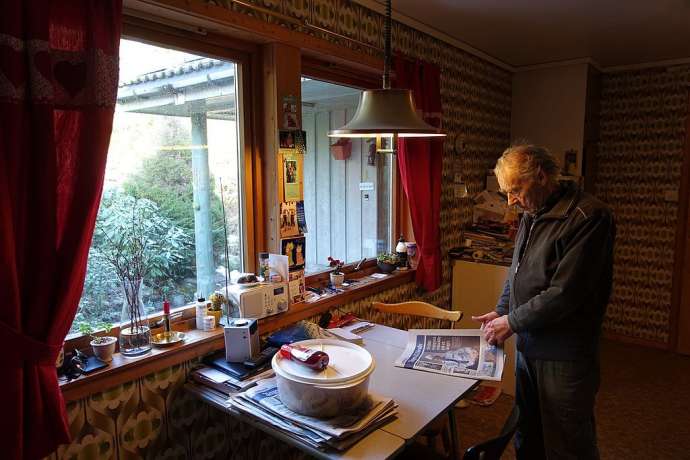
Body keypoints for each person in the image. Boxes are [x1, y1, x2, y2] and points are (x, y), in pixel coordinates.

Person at [472, 144, 615, 460]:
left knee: (567, 443)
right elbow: (516, 272)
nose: (511, 200)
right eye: (507, 193)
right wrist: (501, 309)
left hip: (564, 353)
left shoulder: (589, 217)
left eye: (515, 190)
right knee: (528, 433)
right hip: (529, 345)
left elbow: (564, 294)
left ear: (540, 176)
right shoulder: (532, 212)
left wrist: (511, 322)